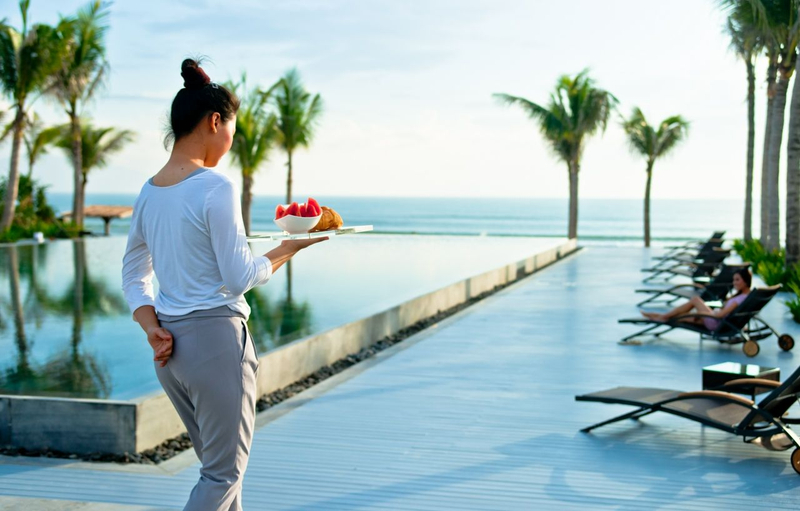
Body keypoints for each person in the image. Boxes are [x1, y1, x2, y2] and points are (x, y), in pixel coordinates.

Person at [121, 59, 326, 511]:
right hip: (216, 343)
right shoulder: (216, 186)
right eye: (231, 127)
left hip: (171, 351)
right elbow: (238, 277)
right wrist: (291, 247)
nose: (231, 140)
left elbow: (133, 271)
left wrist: (149, 325)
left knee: (220, 475)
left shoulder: (149, 191)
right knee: (223, 475)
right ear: (215, 121)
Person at [641, 267, 752, 329]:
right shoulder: (745, 296)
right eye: (734, 280)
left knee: (695, 300)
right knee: (682, 316)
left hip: (715, 322)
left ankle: (662, 317)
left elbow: (720, 315)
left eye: (737, 280)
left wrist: (701, 313)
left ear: (746, 281)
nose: (734, 283)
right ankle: (660, 316)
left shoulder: (738, 299)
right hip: (718, 320)